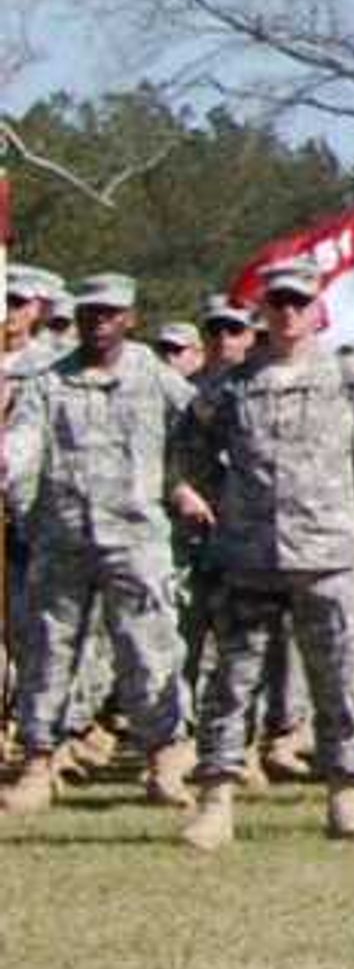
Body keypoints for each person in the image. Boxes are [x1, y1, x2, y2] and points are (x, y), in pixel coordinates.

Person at [177, 261, 354, 851]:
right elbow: (189, 449)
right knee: (232, 680)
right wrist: (214, 497)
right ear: (262, 310)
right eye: (276, 302)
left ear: (316, 311)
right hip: (248, 554)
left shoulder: (347, 381)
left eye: (297, 303)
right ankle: (216, 801)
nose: (286, 313)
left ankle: (344, 800)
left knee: (336, 679)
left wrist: (343, 500)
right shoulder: (230, 385)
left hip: (327, 554)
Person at [2, 272, 196, 815]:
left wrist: (185, 485)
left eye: (110, 313)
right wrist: (8, 465)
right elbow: (23, 441)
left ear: (130, 318)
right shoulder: (48, 381)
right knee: (47, 654)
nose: (98, 321)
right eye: (89, 313)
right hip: (61, 538)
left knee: (150, 653)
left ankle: (163, 760)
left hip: (136, 541)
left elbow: (203, 426)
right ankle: (39, 762)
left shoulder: (155, 376)